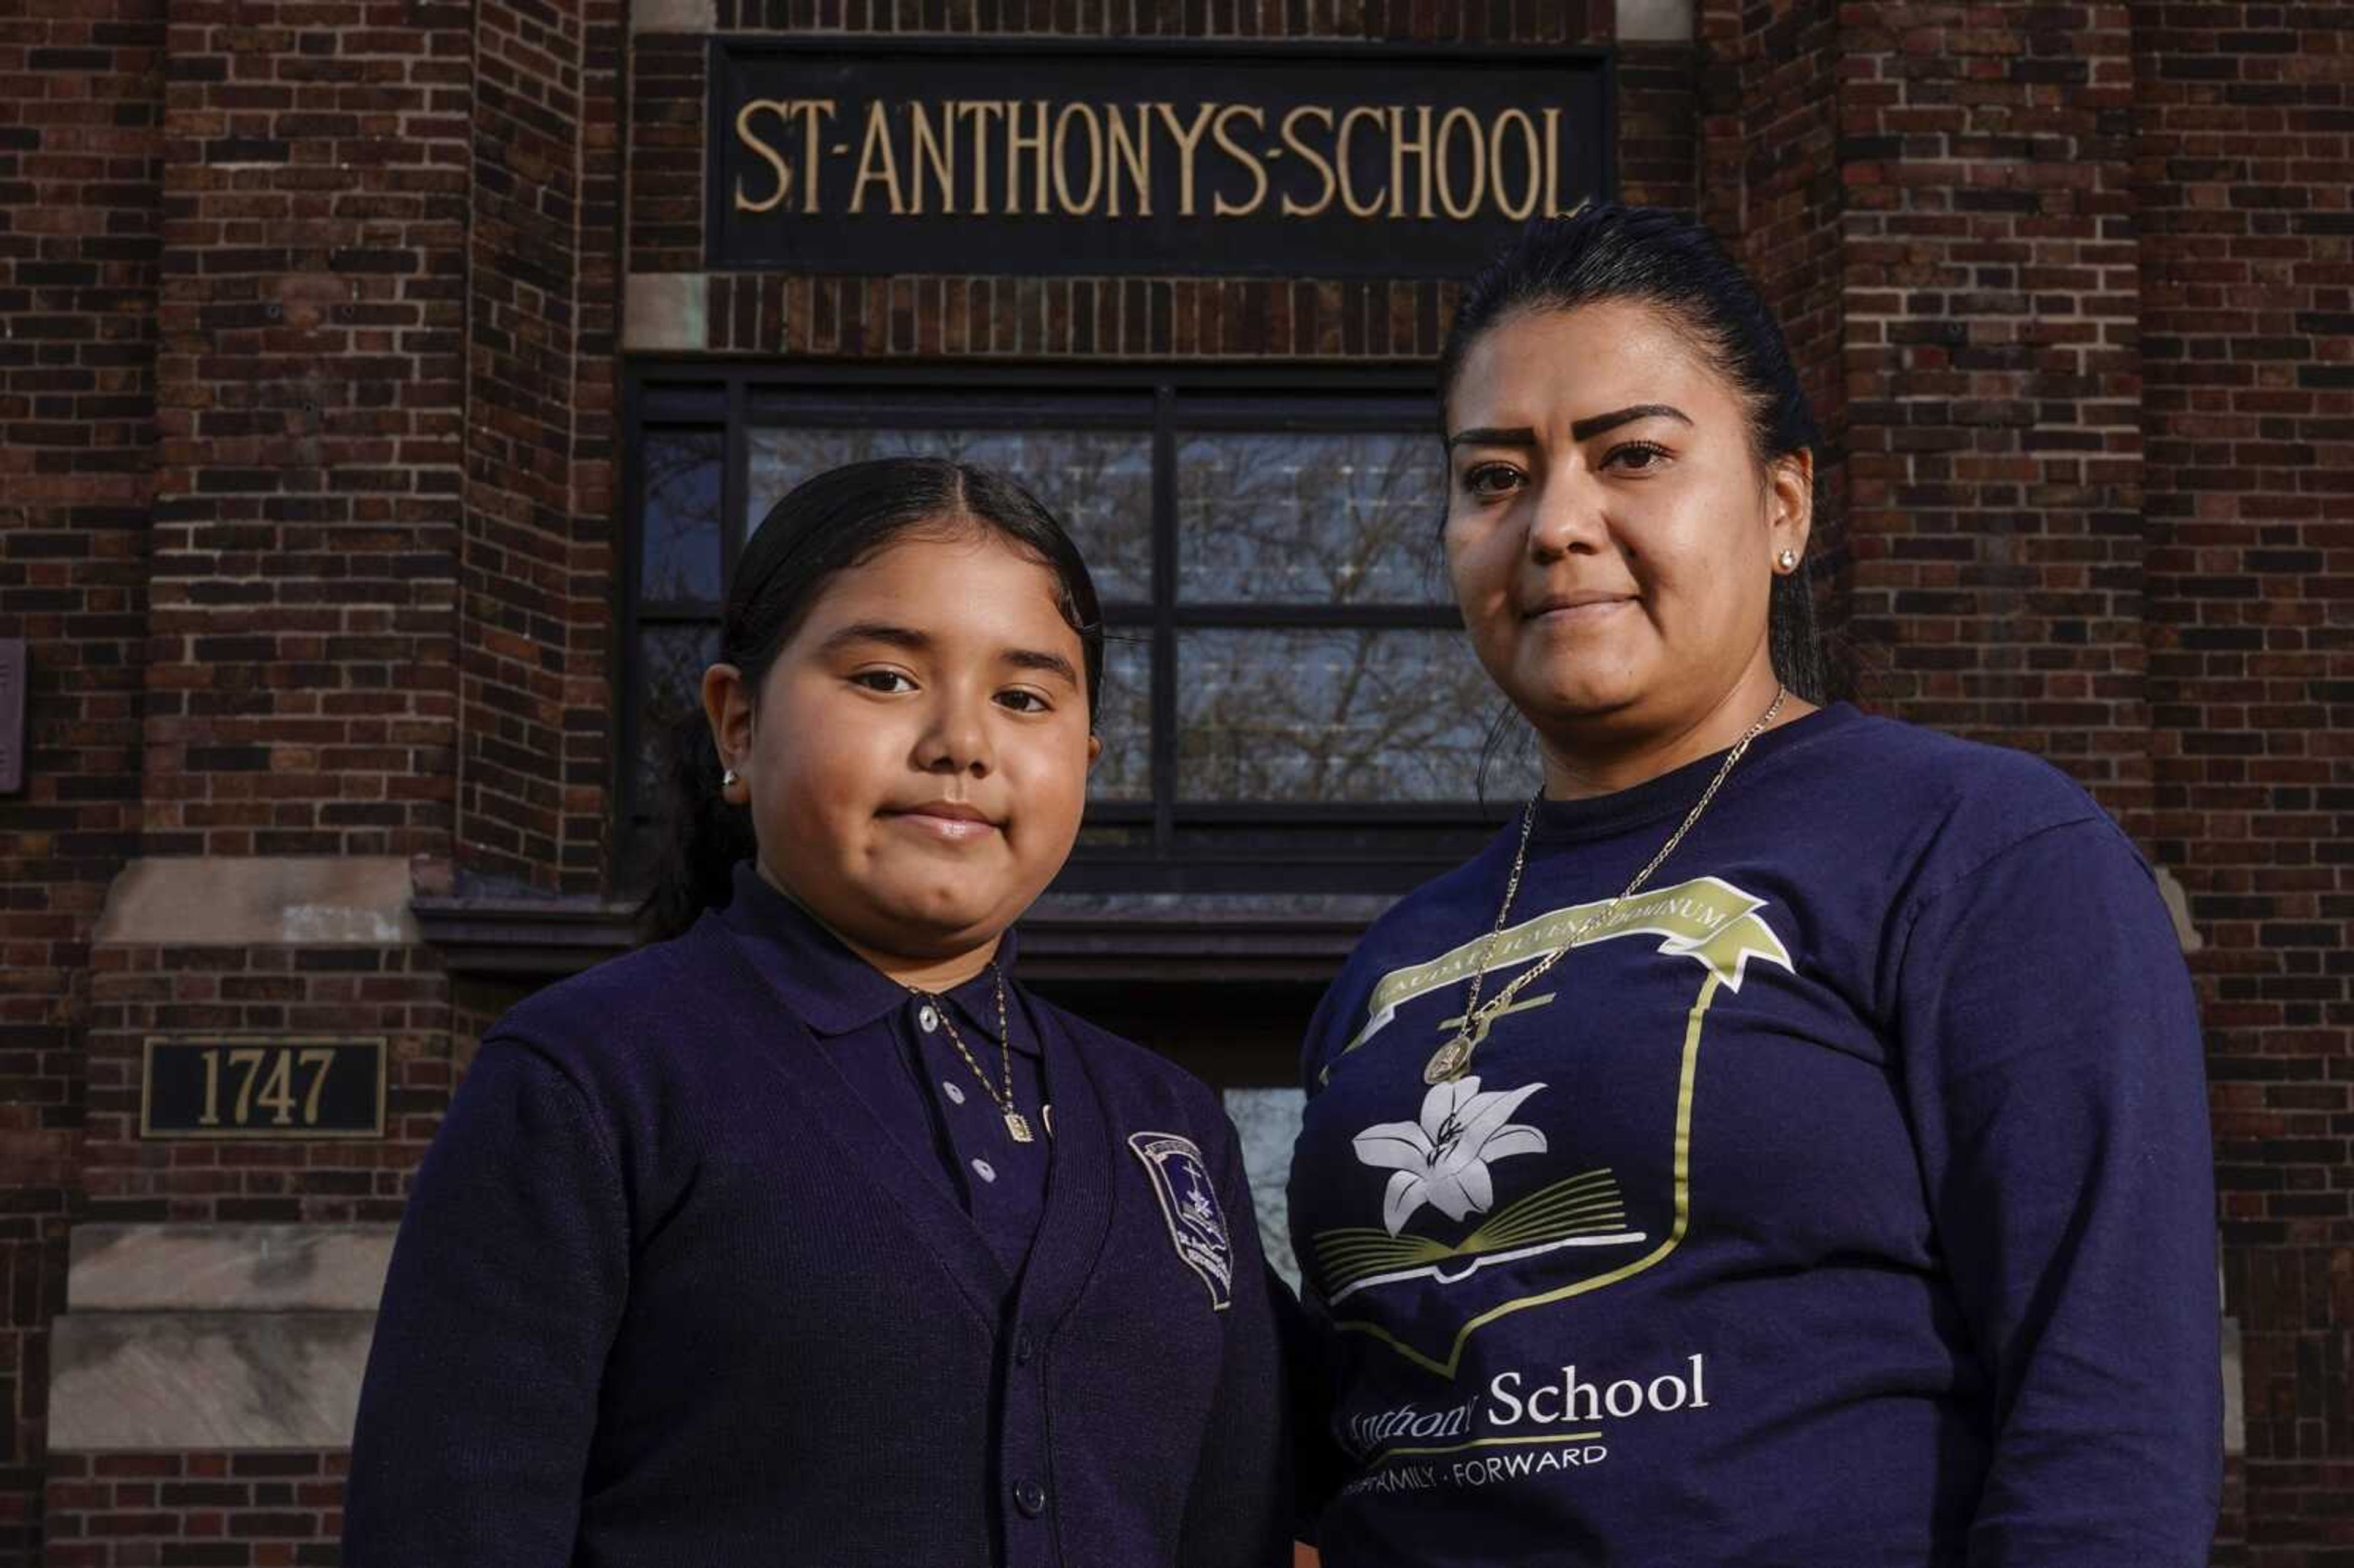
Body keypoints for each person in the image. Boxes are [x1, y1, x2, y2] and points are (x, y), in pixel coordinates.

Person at [1284, 206, 2221, 1566]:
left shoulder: (1979, 852)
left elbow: (2110, 1426)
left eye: (1635, 456)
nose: (1557, 525)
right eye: (1496, 476)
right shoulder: (1397, 959)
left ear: (1784, 506)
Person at [344, 457, 1291, 1567]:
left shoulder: (1165, 1125)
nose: (962, 742)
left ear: (1084, 760)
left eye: (1024, 696)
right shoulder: (590, 1079)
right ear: (737, 724)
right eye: (886, 678)